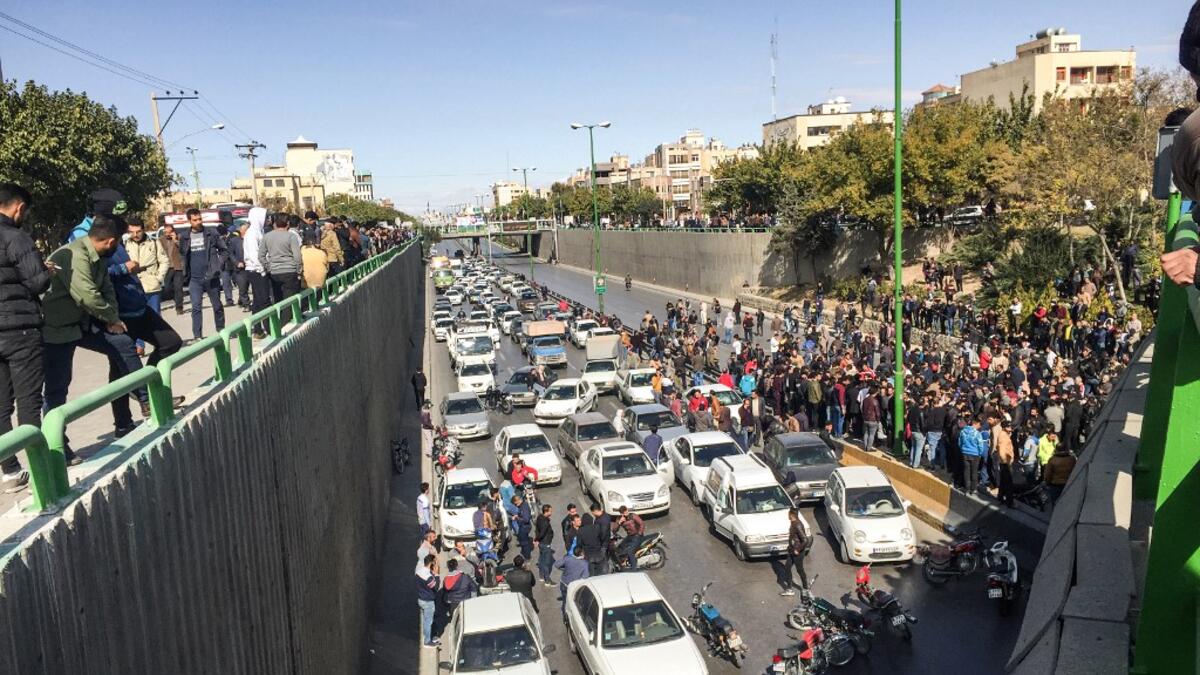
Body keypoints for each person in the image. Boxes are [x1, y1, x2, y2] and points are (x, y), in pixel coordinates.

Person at [42, 215, 129, 464]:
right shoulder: (75, 255)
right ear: (111, 241)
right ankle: (56, 449)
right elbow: (87, 296)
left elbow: (106, 289)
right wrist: (111, 317)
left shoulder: (96, 256)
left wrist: (113, 318)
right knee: (56, 392)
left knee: (122, 346)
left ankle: (144, 397)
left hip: (76, 326)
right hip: (54, 330)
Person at [0, 184, 55, 492]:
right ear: (18, 207)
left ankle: (9, 470)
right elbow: (37, 283)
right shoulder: (16, 237)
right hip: (20, 330)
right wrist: (45, 270)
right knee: (29, 402)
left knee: (0, 405)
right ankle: (40, 469)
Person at [178, 208, 228, 342]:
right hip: (194, 279)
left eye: (200, 219)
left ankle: (221, 330)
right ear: (189, 221)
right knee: (196, 307)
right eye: (195, 220)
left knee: (217, 305)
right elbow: (182, 255)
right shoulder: (184, 237)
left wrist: (218, 264)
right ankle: (198, 335)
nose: (198, 222)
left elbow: (224, 250)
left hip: (211, 276)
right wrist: (184, 272)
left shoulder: (211, 233)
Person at [123, 219, 169, 353]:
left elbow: (164, 261)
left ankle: (159, 343)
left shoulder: (154, 242)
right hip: (134, 286)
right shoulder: (125, 244)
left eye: (138, 231)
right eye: (132, 232)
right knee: (136, 316)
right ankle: (139, 345)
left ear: (143, 230)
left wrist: (159, 278)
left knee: (155, 317)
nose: (135, 234)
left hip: (151, 285)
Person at [259, 213, 303, 320]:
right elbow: (297, 256)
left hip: (274, 272)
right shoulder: (291, 236)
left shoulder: (267, 236)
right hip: (290, 271)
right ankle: (286, 323)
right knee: (290, 300)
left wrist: (268, 267)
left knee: (278, 299)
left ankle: (278, 324)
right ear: (287, 223)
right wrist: (299, 270)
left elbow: (261, 256)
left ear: (274, 223)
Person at [243, 207, 270, 339]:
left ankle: (258, 329)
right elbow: (254, 255)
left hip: (260, 269)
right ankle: (267, 328)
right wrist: (262, 269)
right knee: (263, 300)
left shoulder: (259, 231)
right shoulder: (252, 233)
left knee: (259, 301)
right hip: (256, 270)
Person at [438, 557, 478, 635]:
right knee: (467, 619)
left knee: (456, 621)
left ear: (448, 568)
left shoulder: (446, 579)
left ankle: (457, 634)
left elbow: (446, 593)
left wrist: (447, 602)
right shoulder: (465, 577)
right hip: (466, 602)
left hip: (454, 604)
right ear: (457, 566)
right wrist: (474, 600)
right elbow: (474, 588)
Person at [554, 545, 589, 620]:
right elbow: (585, 577)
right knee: (575, 603)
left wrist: (564, 569)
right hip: (573, 587)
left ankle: (565, 617)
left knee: (565, 602)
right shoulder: (584, 564)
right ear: (581, 553)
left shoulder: (568, 558)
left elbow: (556, 564)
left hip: (564, 583)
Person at [781, 507, 810, 595]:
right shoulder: (793, 523)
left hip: (797, 552)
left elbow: (805, 540)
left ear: (791, 515)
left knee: (800, 570)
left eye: (788, 514)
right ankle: (789, 589)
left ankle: (805, 588)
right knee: (787, 567)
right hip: (791, 550)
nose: (788, 515)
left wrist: (798, 549)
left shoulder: (797, 524)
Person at [158, 225, 186, 314]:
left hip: (178, 267)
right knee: (167, 288)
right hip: (167, 267)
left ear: (173, 231)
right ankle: (176, 298)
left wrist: (175, 240)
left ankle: (179, 307)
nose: (167, 234)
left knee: (178, 288)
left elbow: (184, 250)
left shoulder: (179, 238)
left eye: (169, 232)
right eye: (165, 232)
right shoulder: (160, 240)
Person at [989, 414, 1015, 508]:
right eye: (1009, 426)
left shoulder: (1004, 434)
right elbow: (1002, 451)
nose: (1010, 428)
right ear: (1004, 428)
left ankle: (1000, 497)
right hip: (1006, 463)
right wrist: (1005, 461)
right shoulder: (1004, 437)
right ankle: (1010, 502)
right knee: (1009, 483)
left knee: (1004, 482)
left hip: (1005, 462)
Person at [415, 554, 440, 648]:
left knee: (425, 620)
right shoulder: (428, 576)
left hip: (420, 599)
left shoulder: (419, 571)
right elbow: (436, 587)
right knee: (428, 621)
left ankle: (427, 636)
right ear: (431, 563)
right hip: (428, 601)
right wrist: (436, 574)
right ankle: (427, 641)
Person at [958, 417, 987, 495]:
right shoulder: (977, 433)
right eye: (979, 424)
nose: (980, 426)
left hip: (965, 453)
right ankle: (973, 489)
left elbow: (960, 442)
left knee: (966, 471)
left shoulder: (963, 431)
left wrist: (962, 449)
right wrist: (980, 453)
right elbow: (980, 445)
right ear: (975, 423)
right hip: (975, 454)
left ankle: (967, 489)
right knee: (974, 472)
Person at [612, 505, 645, 571]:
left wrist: (639, 534)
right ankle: (624, 563)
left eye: (626, 511)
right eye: (623, 513)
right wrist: (619, 522)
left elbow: (642, 524)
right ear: (621, 513)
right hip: (630, 536)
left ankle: (633, 569)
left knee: (630, 551)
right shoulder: (619, 518)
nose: (625, 514)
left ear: (627, 510)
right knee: (619, 548)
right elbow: (614, 530)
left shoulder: (633, 516)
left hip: (637, 535)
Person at [534, 503, 556, 587]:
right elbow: (542, 533)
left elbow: (537, 529)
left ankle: (541, 575)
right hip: (545, 543)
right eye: (550, 511)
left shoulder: (540, 517)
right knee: (546, 562)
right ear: (546, 511)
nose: (551, 512)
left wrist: (536, 540)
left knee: (541, 559)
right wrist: (536, 540)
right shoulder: (545, 522)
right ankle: (547, 580)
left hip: (541, 543)